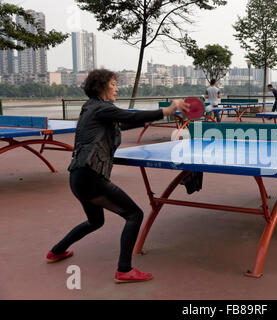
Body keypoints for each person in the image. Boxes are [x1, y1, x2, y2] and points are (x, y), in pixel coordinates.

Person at [46, 69, 189, 283]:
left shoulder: (91, 108)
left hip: (78, 177)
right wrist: (166, 111)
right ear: (101, 86)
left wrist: (153, 118)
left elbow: (125, 121)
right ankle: (124, 269)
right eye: (113, 84)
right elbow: (128, 116)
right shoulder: (101, 109)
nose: (117, 88)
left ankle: (56, 251)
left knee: (95, 222)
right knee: (134, 215)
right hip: (91, 177)